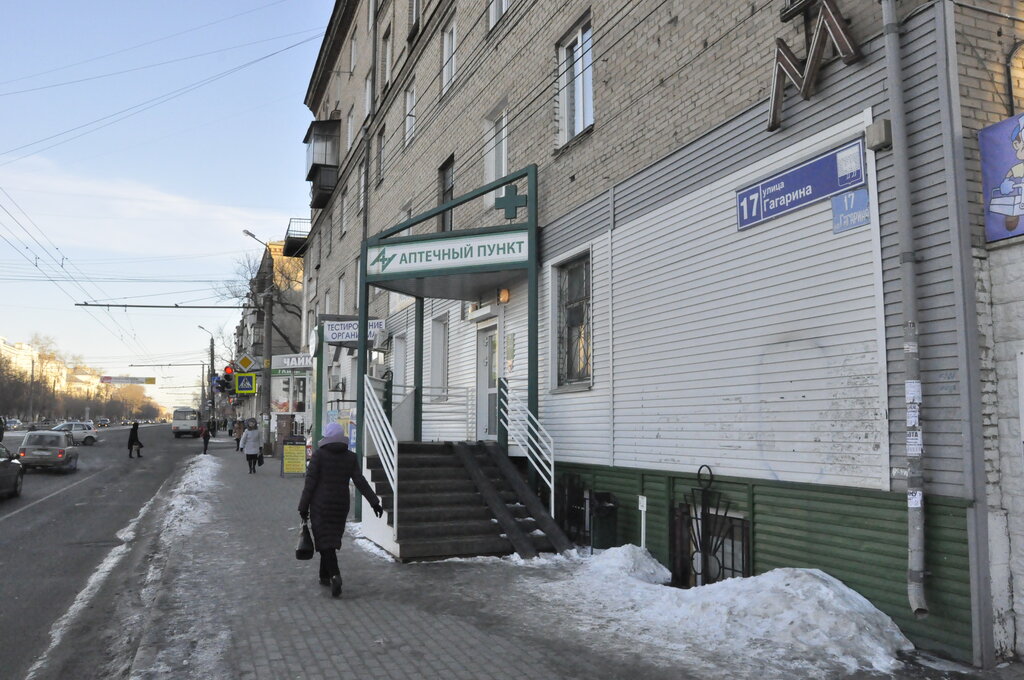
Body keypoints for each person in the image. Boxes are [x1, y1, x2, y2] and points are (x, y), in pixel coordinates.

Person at [298, 422, 383, 598]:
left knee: (324, 539)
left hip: (320, 504)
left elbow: (310, 483)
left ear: (326, 437)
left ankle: (335, 575)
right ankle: (324, 576)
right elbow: (360, 481)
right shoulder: (350, 457)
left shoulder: (319, 456)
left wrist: (303, 507)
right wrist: (374, 502)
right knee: (328, 539)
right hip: (341, 505)